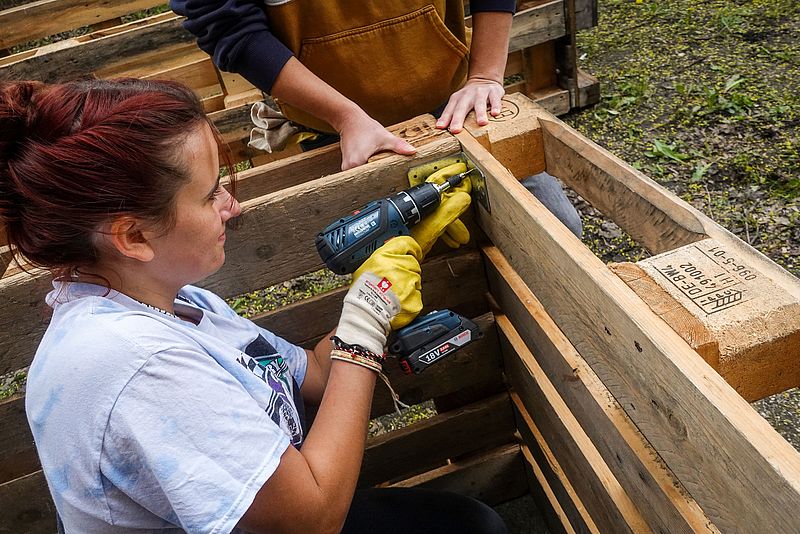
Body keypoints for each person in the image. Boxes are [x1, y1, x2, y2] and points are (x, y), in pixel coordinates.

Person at [0, 78, 507, 533]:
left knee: (470, 525)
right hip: (307, 512)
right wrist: (367, 319)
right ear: (133, 236)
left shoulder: (174, 301)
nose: (231, 205)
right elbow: (310, 521)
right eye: (209, 194)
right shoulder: (134, 366)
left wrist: (378, 276)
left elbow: (311, 373)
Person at [171, 0, 583, 237]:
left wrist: (485, 74)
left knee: (557, 227)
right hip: (334, 132)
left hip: (456, 105)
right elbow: (228, 27)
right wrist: (345, 116)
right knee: (412, 277)